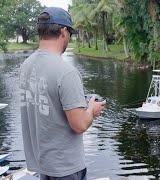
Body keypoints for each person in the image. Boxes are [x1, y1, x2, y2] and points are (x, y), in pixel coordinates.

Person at [19, 7, 106, 180]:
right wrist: (92, 110)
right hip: (67, 169)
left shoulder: (26, 66)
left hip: (43, 166)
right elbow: (79, 124)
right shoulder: (66, 72)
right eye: (70, 34)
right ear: (64, 32)